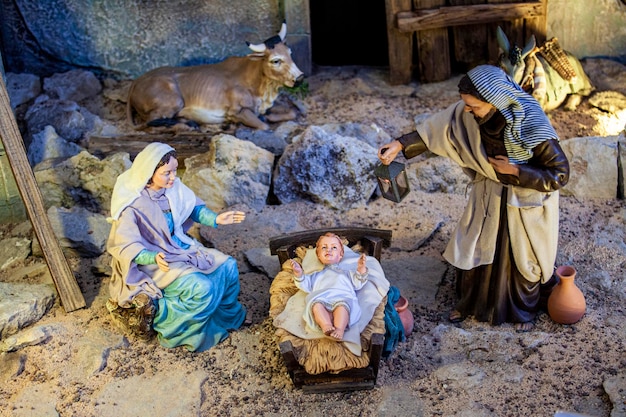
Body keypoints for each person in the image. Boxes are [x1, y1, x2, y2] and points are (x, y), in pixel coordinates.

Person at [377, 65, 570, 332]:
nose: (467, 110)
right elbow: (441, 126)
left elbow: (559, 174)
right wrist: (400, 144)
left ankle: (519, 310)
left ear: (494, 102)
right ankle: (471, 304)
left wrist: (516, 170)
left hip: (521, 205)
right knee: (473, 249)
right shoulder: (470, 114)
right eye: (466, 105)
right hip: (488, 196)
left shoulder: (530, 123)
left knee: (518, 262)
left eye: (473, 106)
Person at [106, 142, 247, 351]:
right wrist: (152, 257)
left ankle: (223, 318)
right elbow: (126, 245)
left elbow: (194, 209)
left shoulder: (173, 189)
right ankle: (176, 325)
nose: (173, 177)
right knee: (201, 287)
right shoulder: (133, 205)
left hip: (179, 246)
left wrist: (217, 219)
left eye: (174, 171)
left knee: (228, 266)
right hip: (153, 261)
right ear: (149, 172)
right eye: (166, 173)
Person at [290, 233, 369, 340]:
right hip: (322, 298)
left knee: (342, 307)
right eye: (324, 247)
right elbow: (304, 284)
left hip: (342, 298)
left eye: (334, 247)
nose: (329, 250)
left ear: (341, 255)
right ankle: (326, 325)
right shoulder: (315, 275)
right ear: (318, 255)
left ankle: (339, 329)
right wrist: (299, 273)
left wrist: (361, 268)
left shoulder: (346, 273)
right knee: (316, 305)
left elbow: (358, 282)